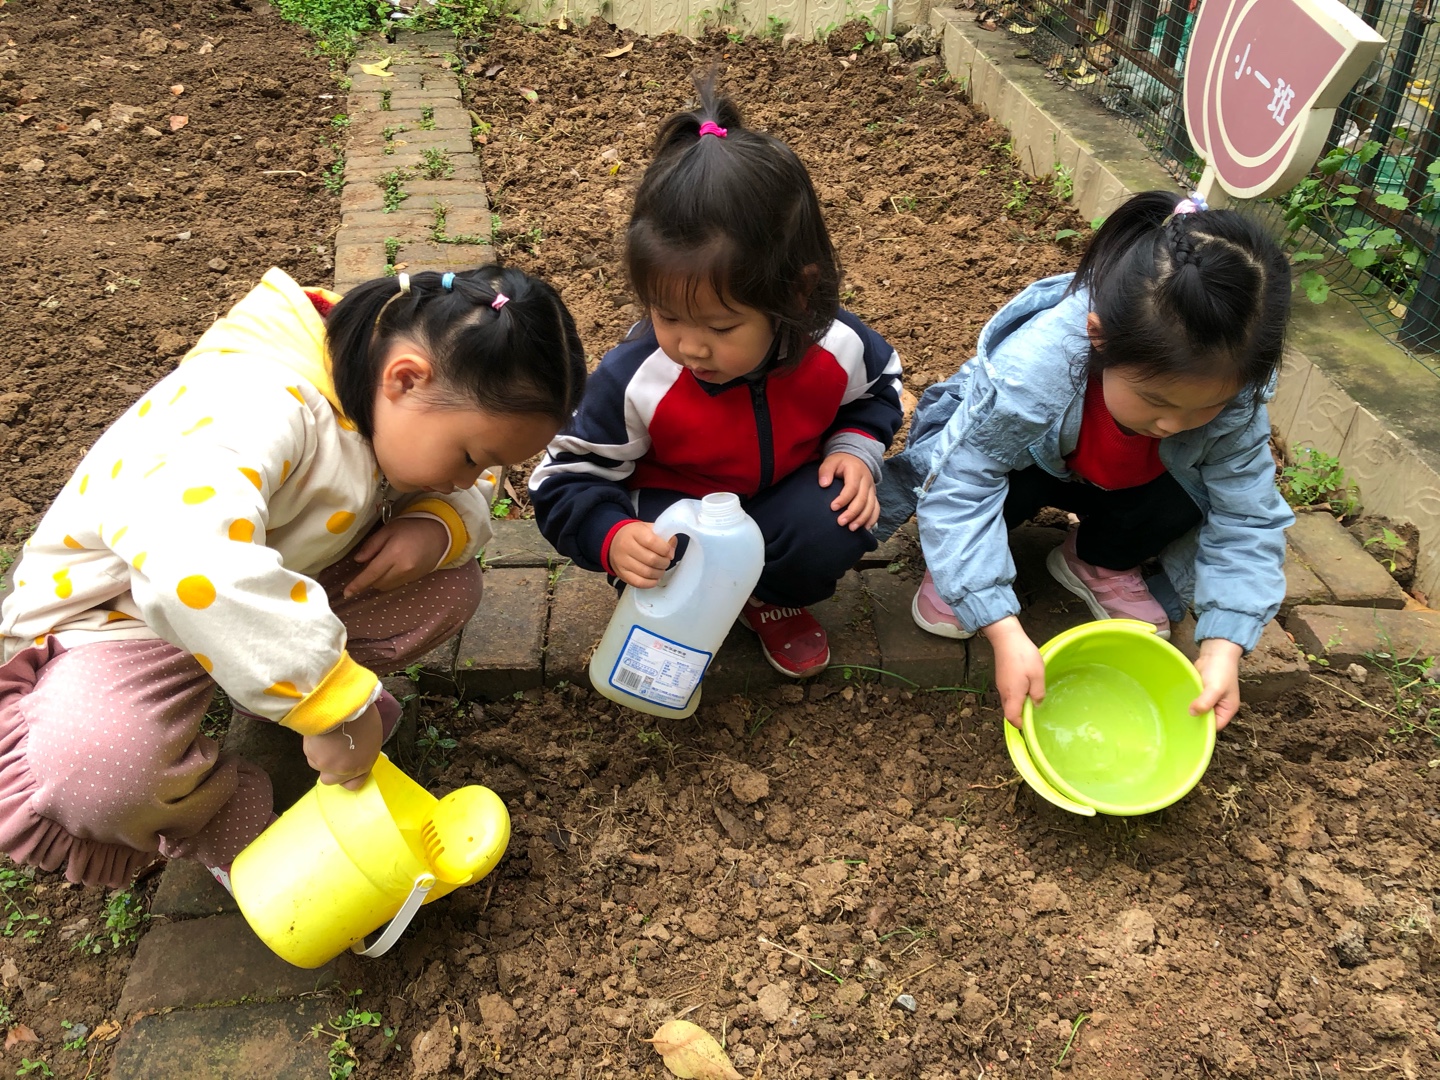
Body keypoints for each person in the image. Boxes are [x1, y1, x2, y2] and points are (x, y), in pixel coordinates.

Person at [0, 264, 586, 888]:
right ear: (405, 377)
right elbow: (193, 565)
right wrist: (335, 704)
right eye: (468, 458)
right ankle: (231, 823)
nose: (469, 479)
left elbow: (467, 475)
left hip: (248, 595)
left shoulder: (387, 390)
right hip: (118, 624)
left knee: (445, 588)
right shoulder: (250, 405)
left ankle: (268, 683)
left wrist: (436, 523)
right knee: (94, 774)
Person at [877, 190, 1293, 731]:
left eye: (1205, 407)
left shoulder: (1236, 400)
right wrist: (1001, 626)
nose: (1173, 424)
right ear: (1099, 338)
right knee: (992, 477)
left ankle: (1099, 559)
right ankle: (964, 571)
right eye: (1156, 401)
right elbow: (963, 478)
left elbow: (1246, 515)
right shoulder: (1035, 368)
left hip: (1129, 481)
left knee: (1195, 496)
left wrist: (1224, 645)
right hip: (1031, 465)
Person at [530, 84, 904, 679]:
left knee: (839, 516)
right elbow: (565, 477)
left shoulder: (835, 344)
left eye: (721, 326)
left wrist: (855, 448)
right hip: (679, 516)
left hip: (782, 501)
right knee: (668, 554)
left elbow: (878, 391)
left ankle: (766, 597)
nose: (691, 347)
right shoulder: (638, 376)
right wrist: (613, 536)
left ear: (796, 294)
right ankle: (680, 605)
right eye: (667, 316)